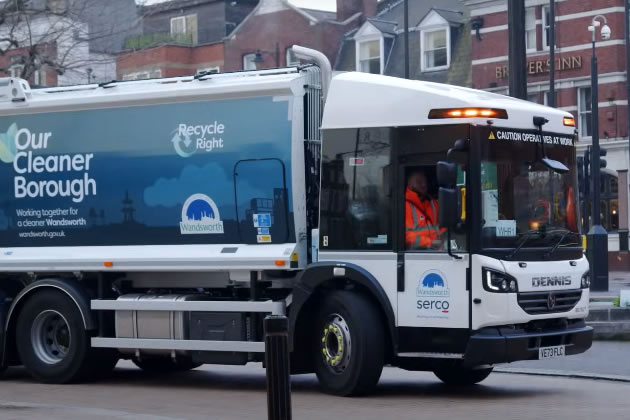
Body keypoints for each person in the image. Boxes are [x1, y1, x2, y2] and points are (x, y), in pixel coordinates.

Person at [405, 170, 443, 250]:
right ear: (409, 184)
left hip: (437, 253)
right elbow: (406, 236)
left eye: (425, 181)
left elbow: (441, 227)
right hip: (414, 256)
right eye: (419, 181)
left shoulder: (433, 203)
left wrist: (445, 240)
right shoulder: (404, 206)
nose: (424, 184)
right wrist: (430, 243)